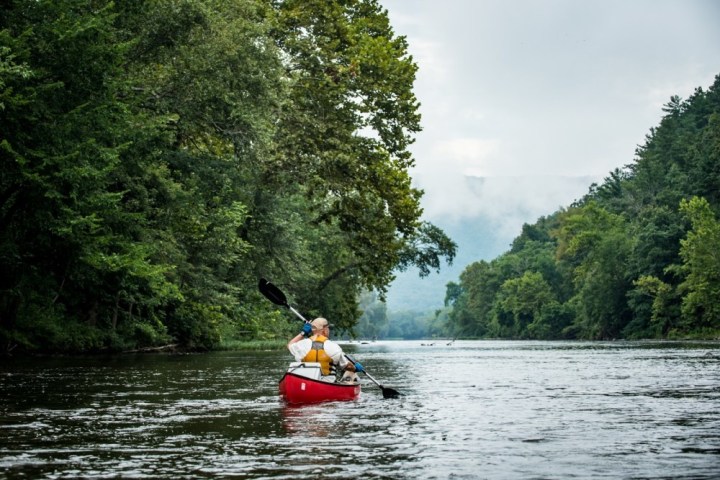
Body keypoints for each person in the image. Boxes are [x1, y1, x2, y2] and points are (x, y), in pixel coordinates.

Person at [287, 317, 364, 382]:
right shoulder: (334, 347)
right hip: (328, 384)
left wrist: (303, 333)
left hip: (307, 383)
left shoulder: (302, 344)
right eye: (328, 328)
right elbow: (347, 366)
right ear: (324, 330)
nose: (329, 330)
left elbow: (290, 345)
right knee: (350, 373)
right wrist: (356, 368)